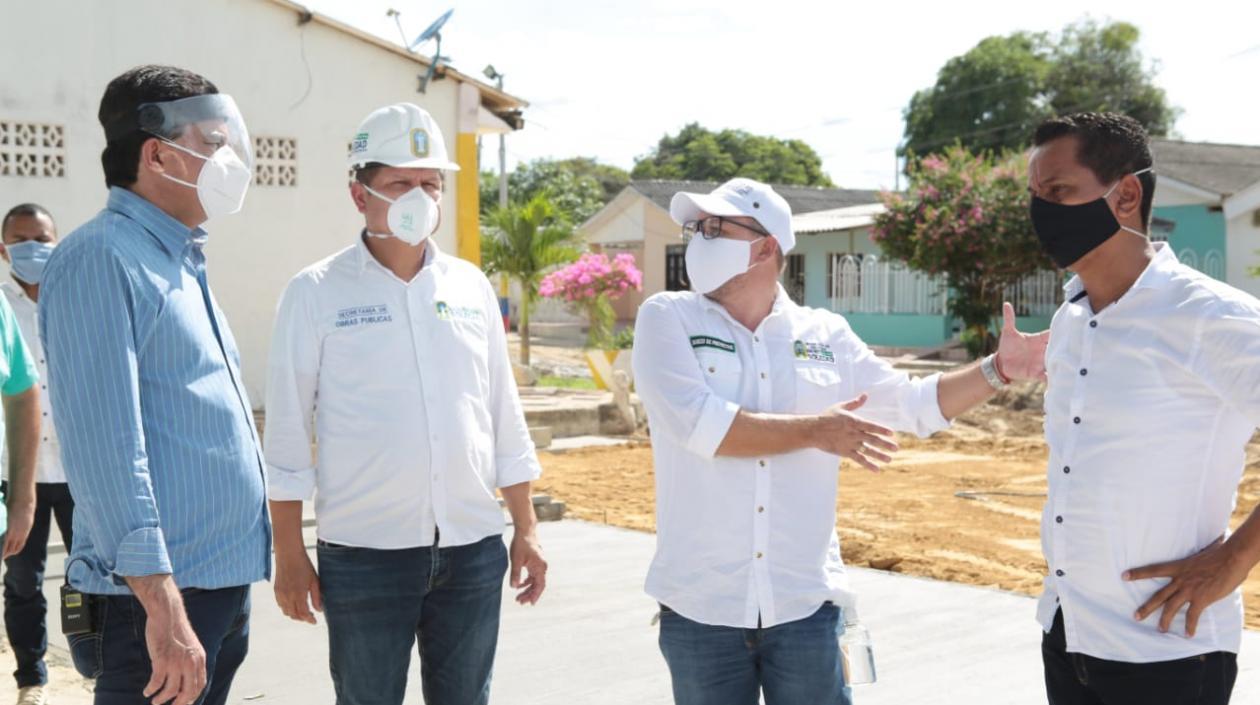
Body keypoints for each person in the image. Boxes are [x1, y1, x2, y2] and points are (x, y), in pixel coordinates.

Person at [631, 177, 1049, 705]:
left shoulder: (824, 334)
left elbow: (913, 405)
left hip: (804, 606)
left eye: (715, 227)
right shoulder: (667, 317)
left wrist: (998, 371)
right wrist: (817, 430)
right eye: (697, 227)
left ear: (766, 247)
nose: (698, 237)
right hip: (701, 607)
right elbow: (700, 426)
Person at [264, 102, 546, 705]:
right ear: (359, 194)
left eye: (429, 183)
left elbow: (501, 412)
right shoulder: (314, 292)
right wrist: (287, 551)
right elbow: (287, 430)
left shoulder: (470, 287)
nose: (417, 196)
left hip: (472, 549)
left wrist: (526, 526)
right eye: (399, 183)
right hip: (366, 556)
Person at [40, 65, 270, 705]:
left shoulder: (178, 255)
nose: (229, 160)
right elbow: (106, 446)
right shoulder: (101, 257)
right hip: (156, 603)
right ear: (158, 153)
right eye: (214, 143)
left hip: (211, 585)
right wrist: (163, 607)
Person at [1027, 112, 1260, 705]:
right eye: (1035, 198)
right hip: (1069, 635)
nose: (1042, 214)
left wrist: (1234, 560)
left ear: (1125, 194)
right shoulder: (1071, 318)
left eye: (1058, 193)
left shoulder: (1212, 315)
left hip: (1167, 653)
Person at [0, 203, 71, 705]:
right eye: (20, 239)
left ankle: (95, 663)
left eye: (41, 239)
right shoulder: (2, 307)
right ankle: (32, 678)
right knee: (23, 581)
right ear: (3, 249)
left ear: (56, 241)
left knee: (90, 577)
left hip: (76, 471)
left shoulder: (78, 303)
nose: (32, 248)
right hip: (18, 474)